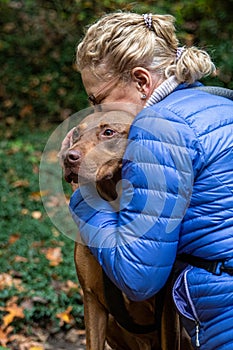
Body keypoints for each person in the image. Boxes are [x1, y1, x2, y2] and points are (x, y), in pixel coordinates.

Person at [65, 11, 233, 349]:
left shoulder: (156, 129)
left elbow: (139, 280)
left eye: (99, 100)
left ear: (142, 82)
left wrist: (86, 199)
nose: (99, 115)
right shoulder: (218, 104)